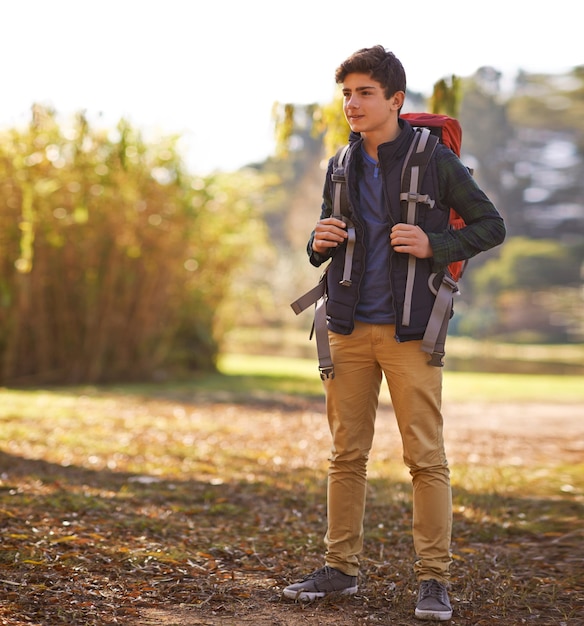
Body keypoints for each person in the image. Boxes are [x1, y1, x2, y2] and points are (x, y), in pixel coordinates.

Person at [282, 46, 506, 621]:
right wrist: (317, 242)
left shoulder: (435, 160)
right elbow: (319, 249)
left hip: (412, 331)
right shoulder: (340, 163)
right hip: (347, 327)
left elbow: (490, 225)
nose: (352, 104)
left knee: (425, 459)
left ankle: (434, 581)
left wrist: (437, 246)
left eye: (364, 93)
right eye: (347, 94)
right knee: (345, 455)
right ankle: (340, 569)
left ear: (395, 100)